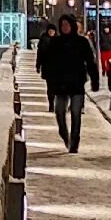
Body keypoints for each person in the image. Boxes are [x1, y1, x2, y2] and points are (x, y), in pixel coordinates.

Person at [35, 14, 99, 153]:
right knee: (59, 113)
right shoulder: (55, 42)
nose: (65, 28)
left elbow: (90, 62)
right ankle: (65, 136)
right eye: (62, 25)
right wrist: (49, 78)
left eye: (67, 25)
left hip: (76, 83)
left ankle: (74, 142)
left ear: (72, 26)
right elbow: (49, 62)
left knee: (76, 113)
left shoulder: (81, 42)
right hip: (60, 84)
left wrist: (95, 80)